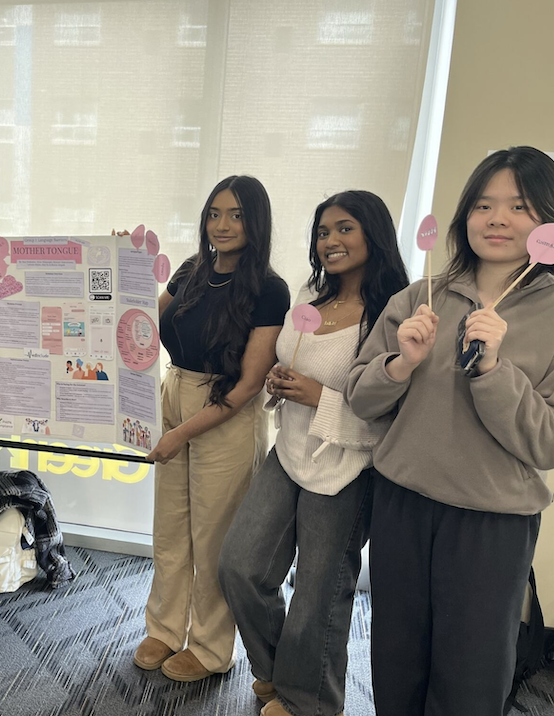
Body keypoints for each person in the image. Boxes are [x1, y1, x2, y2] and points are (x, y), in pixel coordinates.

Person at [346, 147, 554, 716]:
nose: (497, 219)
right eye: (483, 205)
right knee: (396, 663)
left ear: (549, 221)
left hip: (490, 524)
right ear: (464, 216)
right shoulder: (419, 297)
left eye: (519, 206)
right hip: (402, 505)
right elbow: (360, 398)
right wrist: (400, 365)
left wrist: (495, 371)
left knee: (470, 680)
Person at [217, 191, 409, 715]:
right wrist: (282, 383)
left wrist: (319, 396)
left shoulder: (393, 314)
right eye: (323, 232)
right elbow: (293, 359)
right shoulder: (311, 293)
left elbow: (391, 413)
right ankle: (278, 671)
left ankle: (310, 702)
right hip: (290, 451)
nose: (330, 241)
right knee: (240, 566)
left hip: (348, 466)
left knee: (319, 594)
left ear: (373, 234)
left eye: (345, 229)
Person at [133, 175, 290, 682]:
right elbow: (138, 324)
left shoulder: (269, 289)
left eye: (236, 215)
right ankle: (164, 628)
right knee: (170, 528)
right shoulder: (191, 270)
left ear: (256, 223)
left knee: (213, 537)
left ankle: (209, 647)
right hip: (174, 390)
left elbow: (248, 386)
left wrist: (181, 433)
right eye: (215, 214)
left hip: (226, 411)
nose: (222, 225)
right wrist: (122, 265)